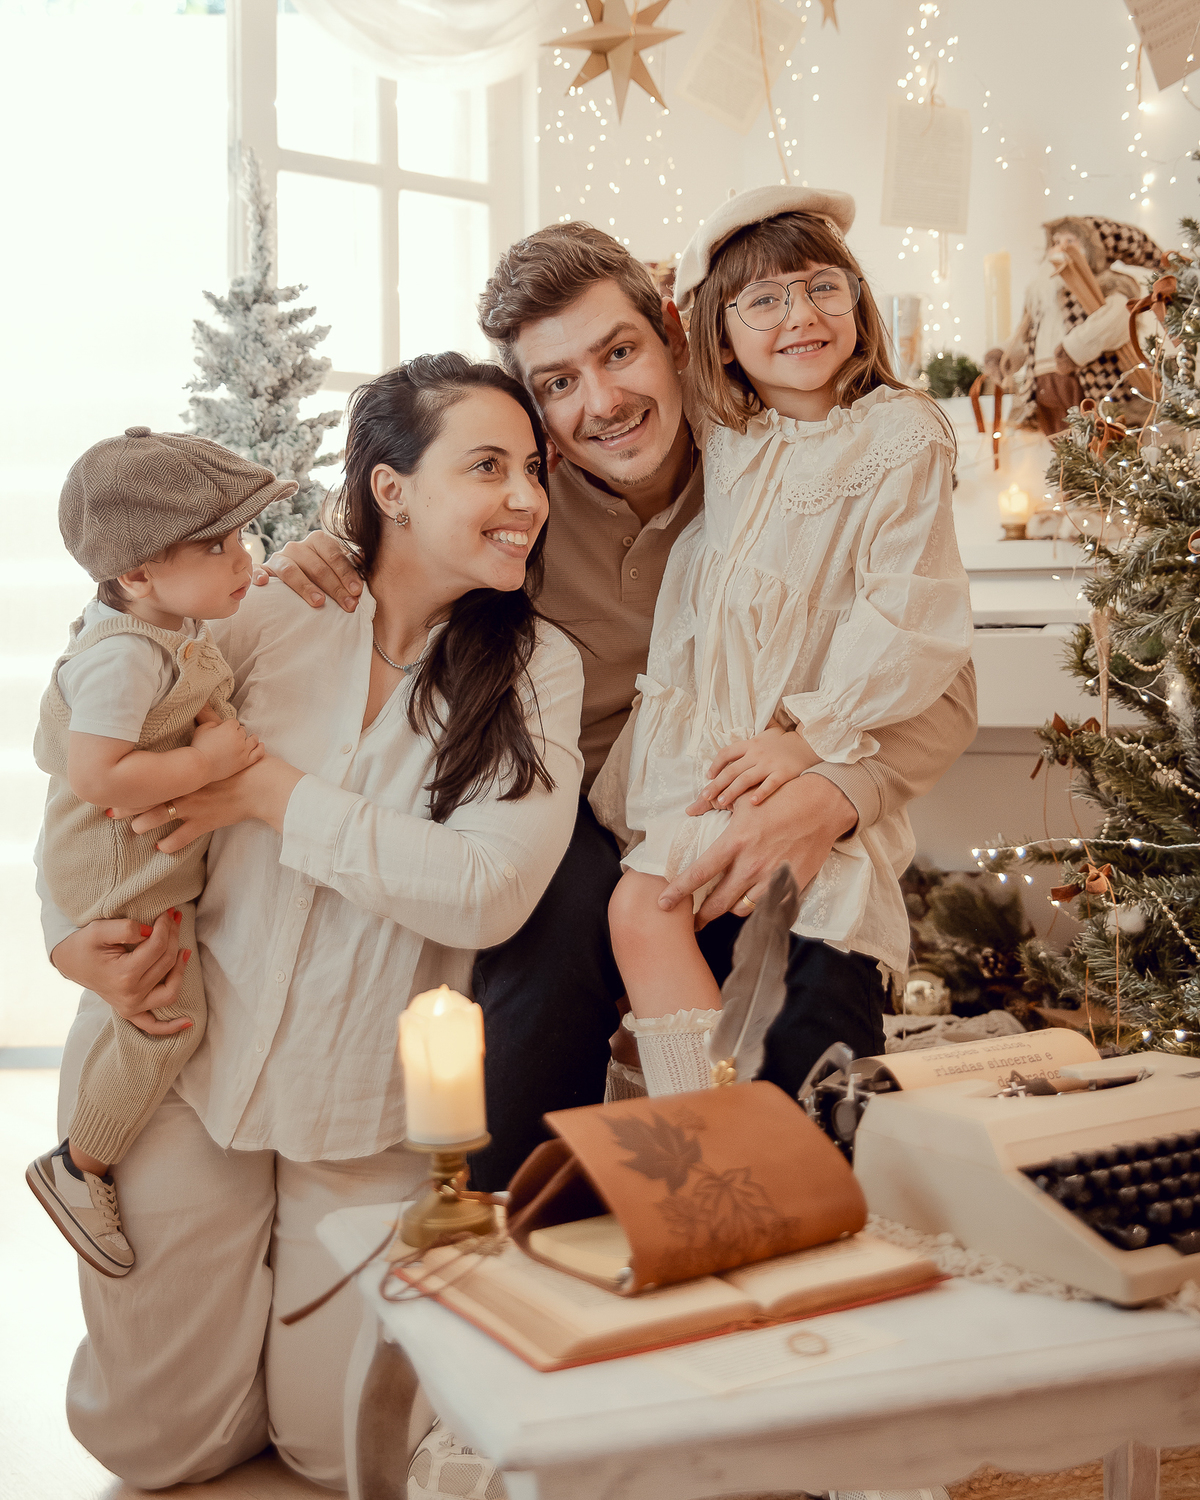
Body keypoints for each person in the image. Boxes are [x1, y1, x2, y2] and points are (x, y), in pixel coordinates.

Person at [265, 215, 979, 1186]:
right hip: (597, 809)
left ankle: (789, 1198)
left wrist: (838, 793)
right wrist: (325, 547)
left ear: (676, 339)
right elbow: (403, 521)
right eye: (557, 383)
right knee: (562, 916)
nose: (602, 402)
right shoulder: (518, 511)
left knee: (819, 986)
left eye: (620, 353)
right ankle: (526, 1214)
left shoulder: (774, 455)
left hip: (775, 788)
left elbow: (939, 682)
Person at [37, 354, 585, 1490]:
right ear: (390, 490)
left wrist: (270, 795)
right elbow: (87, 754)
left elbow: (489, 889)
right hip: (179, 1068)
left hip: (364, 1110)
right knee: (156, 1446)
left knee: (345, 1448)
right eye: (489, 466)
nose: (528, 496)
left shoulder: (536, 668)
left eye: (532, 468)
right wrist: (64, 930)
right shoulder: (268, 610)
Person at [597, 186, 972, 1093]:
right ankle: (699, 1110)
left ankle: (774, 1129)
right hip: (698, 766)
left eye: (822, 288)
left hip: (803, 757)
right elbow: (622, 360)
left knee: (802, 978)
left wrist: (811, 738)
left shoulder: (898, 434)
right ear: (717, 336)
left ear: (856, 300)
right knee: (638, 910)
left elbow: (908, 617)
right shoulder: (729, 432)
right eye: (764, 300)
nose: (801, 315)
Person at [27, 428, 284, 1276]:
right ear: (136, 573)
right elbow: (98, 774)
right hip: (114, 863)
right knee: (169, 1018)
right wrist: (207, 764)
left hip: (122, 851)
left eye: (242, 538)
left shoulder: (157, 625)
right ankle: (80, 1165)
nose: (243, 561)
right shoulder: (126, 657)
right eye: (217, 546)